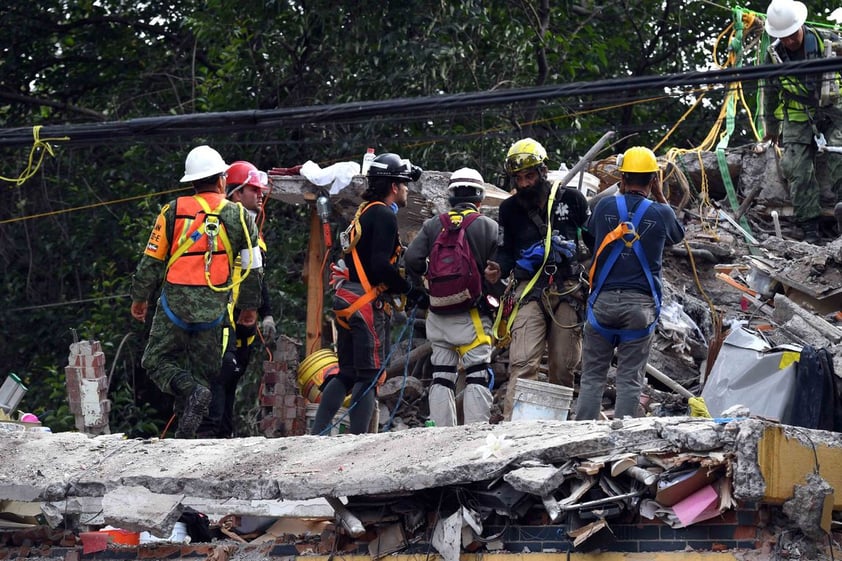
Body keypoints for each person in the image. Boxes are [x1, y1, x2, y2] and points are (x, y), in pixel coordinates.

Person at [130, 145, 263, 439]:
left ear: (191, 182)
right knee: (207, 374)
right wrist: (249, 308)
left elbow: (150, 261)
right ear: (221, 181)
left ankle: (189, 399)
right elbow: (254, 269)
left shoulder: (173, 211)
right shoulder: (241, 217)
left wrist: (140, 298)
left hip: (172, 309)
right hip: (214, 313)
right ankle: (194, 431)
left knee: (156, 360)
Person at [311, 152, 425, 435]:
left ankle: (318, 434)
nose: (407, 190)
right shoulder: (384, 215)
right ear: (395, 186)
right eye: (405, 184)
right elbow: (378, 266)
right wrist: (410, 291)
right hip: (366, 303)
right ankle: (357, 440)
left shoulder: (364, 211)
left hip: (348, 297)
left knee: (348, 372)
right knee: (370, 375)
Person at [574, 146, 684, 421]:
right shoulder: (662, 213)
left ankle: (580, 438)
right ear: (653, 179)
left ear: (622, 178)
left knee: (592, 378)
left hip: (603, 304)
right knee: (629, 379)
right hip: (640, 308)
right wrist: (660, 197)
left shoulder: (604, 206)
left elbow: (591, 239)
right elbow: (677, 236)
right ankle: (623, 444)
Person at [491, 138, 592, 420]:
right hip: (528, 288)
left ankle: (554, 430)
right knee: (522, 363)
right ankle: (515, 431)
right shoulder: (509, 209)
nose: (523, 184)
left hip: (568, 288)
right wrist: (497, 269)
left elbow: (596, 243)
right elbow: (505, 250)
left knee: (563, 365)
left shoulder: (572, 200)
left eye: (529, 176)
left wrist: (584, 266)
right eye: (518, 178)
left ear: (542, 172)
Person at [404, 168, 500, 426]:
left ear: (451, 196)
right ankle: (473, 434)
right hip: (472, 315)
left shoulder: (433, 225)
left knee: (442, 375)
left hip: (438, 313)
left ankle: (441, 435)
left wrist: (427, 284)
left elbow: (411, 258)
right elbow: (499, 270)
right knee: (477, 374)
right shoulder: (488, 227)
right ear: (479, 197)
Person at [201, 160, 275, 438]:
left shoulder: (252, 230)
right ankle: (212, 439)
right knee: (219, 382)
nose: (259, 195)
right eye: (253, 189)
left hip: (243, 326)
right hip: (221, 323)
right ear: (235, 193)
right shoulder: (225, 229)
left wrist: (265, 313)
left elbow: (258, 277)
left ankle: (224, 439)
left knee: (229, 385)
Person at [763, 0, 842, 243]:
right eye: (783, 36)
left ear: (801, 25)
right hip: (798, 118)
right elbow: (770, 93)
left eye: (792, 35)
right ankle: (810, 229)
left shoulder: (828, 40)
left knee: (839, 153)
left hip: (835, 111)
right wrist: (772, 128)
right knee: (795, 167)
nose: (788, 41)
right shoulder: (774, 56)